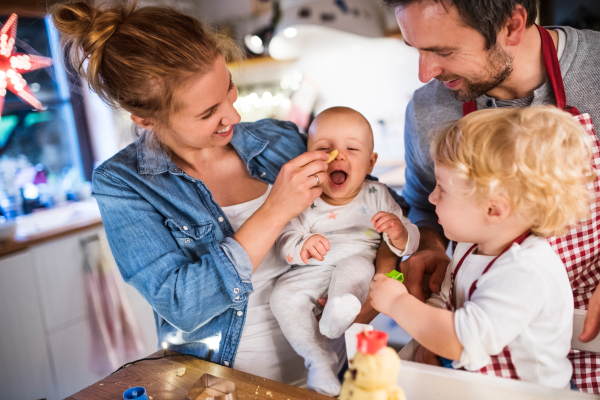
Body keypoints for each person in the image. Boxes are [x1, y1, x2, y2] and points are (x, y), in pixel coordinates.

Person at [50, 0, 401, 385]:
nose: (234, 116)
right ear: (146, 118)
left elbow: (384, 210)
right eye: (208, 112)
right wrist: (275, 209)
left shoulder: (280, 140)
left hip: (337, 373)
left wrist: (378, 285)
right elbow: (183, 304)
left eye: (229, 88)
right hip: (225, 385)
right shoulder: (124, 184)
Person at [382, 0, 600, 391]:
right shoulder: (427, 109)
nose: (425, 72)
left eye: (443, 51)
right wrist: (428, 245)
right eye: (416, 48)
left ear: (513, 25)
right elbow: (421, 204)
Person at [371, 106, 593, 389]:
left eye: (442, 188)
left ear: (493, 209)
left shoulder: (524, 272)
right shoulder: (471, 246)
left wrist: (396, 303)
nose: (431, 196)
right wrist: (436, 346)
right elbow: (454, 303)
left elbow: (461, 340)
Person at [270, 107, 419, 395]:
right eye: (324, 148)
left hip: (357, 261)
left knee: (353, 271)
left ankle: (344, 304)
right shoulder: (304, 198)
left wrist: (399, 232)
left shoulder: (378, 196)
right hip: (312, 270)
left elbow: (410, 242)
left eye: (352, 148)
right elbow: (284, 240)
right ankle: (319, 360)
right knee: (282, 297)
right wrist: (301, 245)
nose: (338, 155)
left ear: (371, 162)